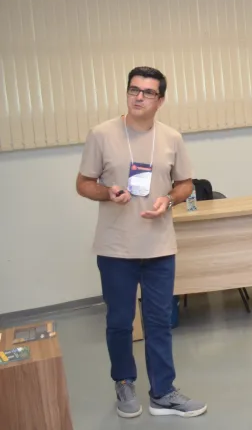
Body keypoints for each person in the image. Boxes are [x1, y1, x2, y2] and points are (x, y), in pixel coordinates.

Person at [75, 67, 206, 418]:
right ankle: (124, 383)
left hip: (159, 246)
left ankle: (163, 391)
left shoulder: (171, 137)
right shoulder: (102, 134)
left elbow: (185, 183)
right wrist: (107, 191)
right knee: (119, 321)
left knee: (160, 320)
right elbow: (84, 183)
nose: (138, 97)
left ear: (160, 100)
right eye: (134, 90)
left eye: (148, 92)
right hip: (116, 247)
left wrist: (170, 199)